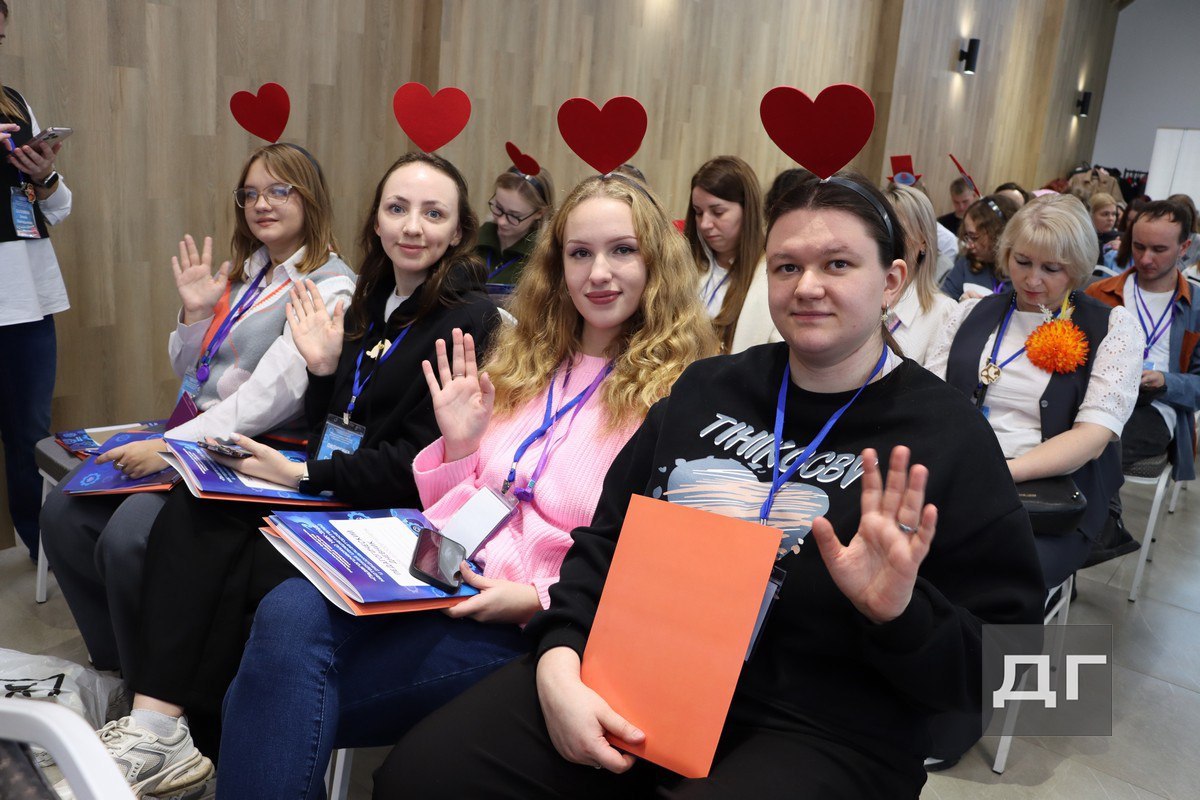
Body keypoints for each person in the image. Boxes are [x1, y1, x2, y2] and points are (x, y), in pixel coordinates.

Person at [381, 171, 1045, 799]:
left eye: (838, 264)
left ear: (892, 280)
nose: (808, 286)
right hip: (639, 676)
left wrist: (901, 613)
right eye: (787, 267)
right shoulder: (709, 389)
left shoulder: (947, 436)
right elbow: (603, 544)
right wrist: (559, 661)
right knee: (423, 775)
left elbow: (1017, 669)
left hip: (819, 726)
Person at [216, 173, 719, 799]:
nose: (598, 273)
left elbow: (648, 565)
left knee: (263, 698)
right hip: (442, 576)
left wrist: (536, 599)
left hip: (533, 629)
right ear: (557, 265)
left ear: (657, 264)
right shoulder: (527, 360)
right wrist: (458, 448)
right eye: (579, 253)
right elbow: (464, 500)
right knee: (287, 612)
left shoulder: (681, 396)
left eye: (623, 251)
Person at [64, 152, 501, 799]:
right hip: (340, 487)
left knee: (236, 571)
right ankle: (165, 727)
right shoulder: (375, 299)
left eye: (433, 214)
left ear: (459, 230)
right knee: (200, 506)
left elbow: (414, 467)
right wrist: (325, 374)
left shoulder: (466, 320)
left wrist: (299, 474)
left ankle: (182, 735)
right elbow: (342, 421)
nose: (413, 226)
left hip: (400, 520)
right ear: (376, 221)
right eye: (398, 209)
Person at [40, 142, 355, 680]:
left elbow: (270, 399)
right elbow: (194, 368)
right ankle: (114, 664)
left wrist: (170, 448)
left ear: (310, 198)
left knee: (128, 539)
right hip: (194, 431)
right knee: (64, 515)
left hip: (252, 449)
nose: (261, 204)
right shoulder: (252, 270)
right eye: (250, 193)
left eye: (279, 190)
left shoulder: (330, 284)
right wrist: (195, 315)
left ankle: (150, 686)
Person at [927, 193, 1142, 590]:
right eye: (1022, 261)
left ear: (1077, 268)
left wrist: (1000, 474)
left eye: (1051, 268)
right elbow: (932, 405)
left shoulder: (1112, 328)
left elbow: (1092, 439)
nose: (1032, 280)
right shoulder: (969, 312)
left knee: (990, 580)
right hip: (959, 475)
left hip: (1048, 498)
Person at [1084, 199, 1200, 564]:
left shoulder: (1196, 306)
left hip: (1155, 407)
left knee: (1096, 444)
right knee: (1079, 437)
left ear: (1184, 247)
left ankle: (1085, 535)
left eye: (1159, 249)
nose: (1146, 258)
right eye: (1138, 246)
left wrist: (1165, 380)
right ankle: (1102, 527)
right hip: (1096, 396)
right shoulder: (1100, 293)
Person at [0, 0, 73, 561]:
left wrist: (45, 174)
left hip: (25, 297)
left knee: (30, 435)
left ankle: (44, 551)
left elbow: (56, 208)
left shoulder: (14, 102)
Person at [685, 156, 765, 349]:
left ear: (747, 210)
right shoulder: (684, 264)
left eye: (718, 212)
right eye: (698, 212)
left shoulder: (768, 276)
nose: (705, 224)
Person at [883, 185, 957, 364]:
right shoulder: (856, 296)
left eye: (899, 231)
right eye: (882, 229)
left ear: (923, 241)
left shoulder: (943, 312)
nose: (888, 239)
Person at [476, 164, 555, 285]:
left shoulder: (544, 260)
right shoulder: (473, 239)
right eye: (498, 208)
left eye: (514, 216)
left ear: (539, 213)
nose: (502, 221)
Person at [939, 194, 1019, 300]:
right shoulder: (966, 263)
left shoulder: (1021, 273)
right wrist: (959, 305)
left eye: (974, 237)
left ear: (998, 235)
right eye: (967, 236)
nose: (969, 245)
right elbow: (943, 299)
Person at [1089, 191, 1120, 262]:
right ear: (1091, 215)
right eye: (1105, 214)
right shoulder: (1081, 239)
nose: (1111, 218)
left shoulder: (1120, 238)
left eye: (1114, 214)